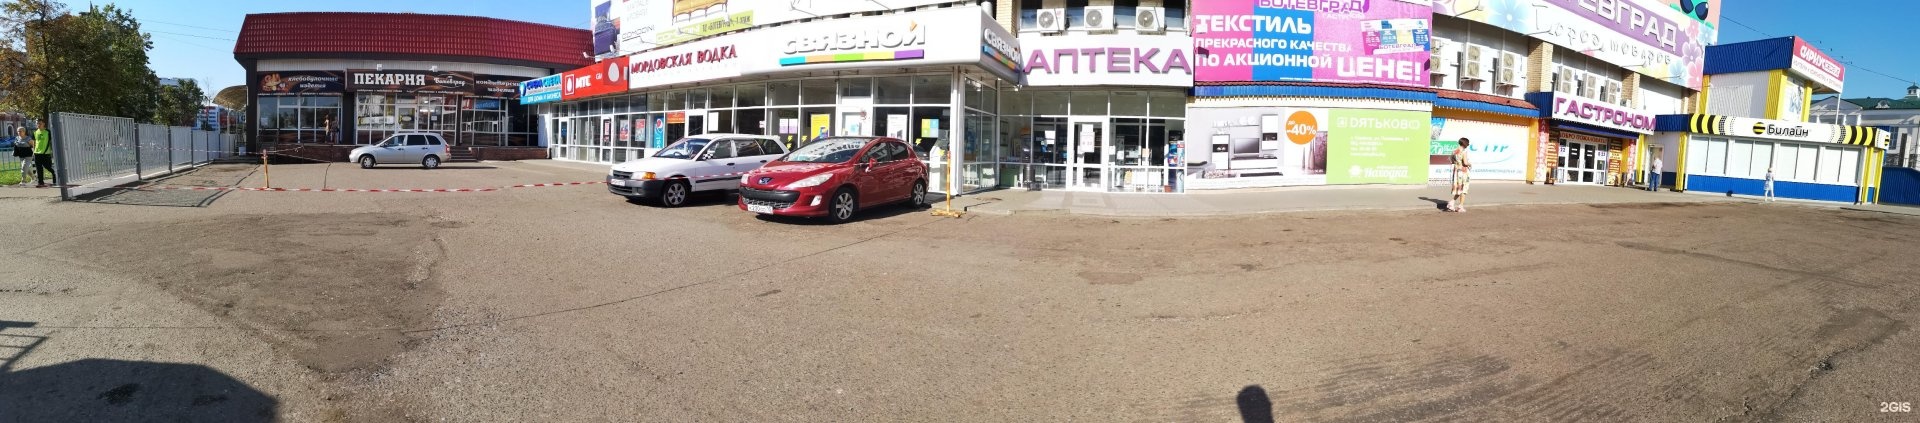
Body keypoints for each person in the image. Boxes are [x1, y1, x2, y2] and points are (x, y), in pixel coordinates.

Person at [1448, 137, 1472, 212]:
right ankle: (1460, 206)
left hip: (1456, 172)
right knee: (1464, 189)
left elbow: (1451, 161)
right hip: (1463, 172)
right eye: (1467, 143)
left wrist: (1457, 163)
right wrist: (1470, 164)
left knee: (1459, 189)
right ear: (1465, 143)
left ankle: (1451, 203)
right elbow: (1465, 163)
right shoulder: (1464, 152)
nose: (1468, 145)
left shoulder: (1454, 151)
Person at [31, 119, 54, 188]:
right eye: (37, 123)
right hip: (37, 153)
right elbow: (34, 142)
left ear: (44, 124)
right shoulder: (35, 132)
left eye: (40, 123)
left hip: (46, 153)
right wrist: (34, 151)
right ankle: (40, 182)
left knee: (48, 167)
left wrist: (52, 151)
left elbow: (51, 141)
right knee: (38, 168)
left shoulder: (48, 132)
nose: (38, 125)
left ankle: (54, 174)